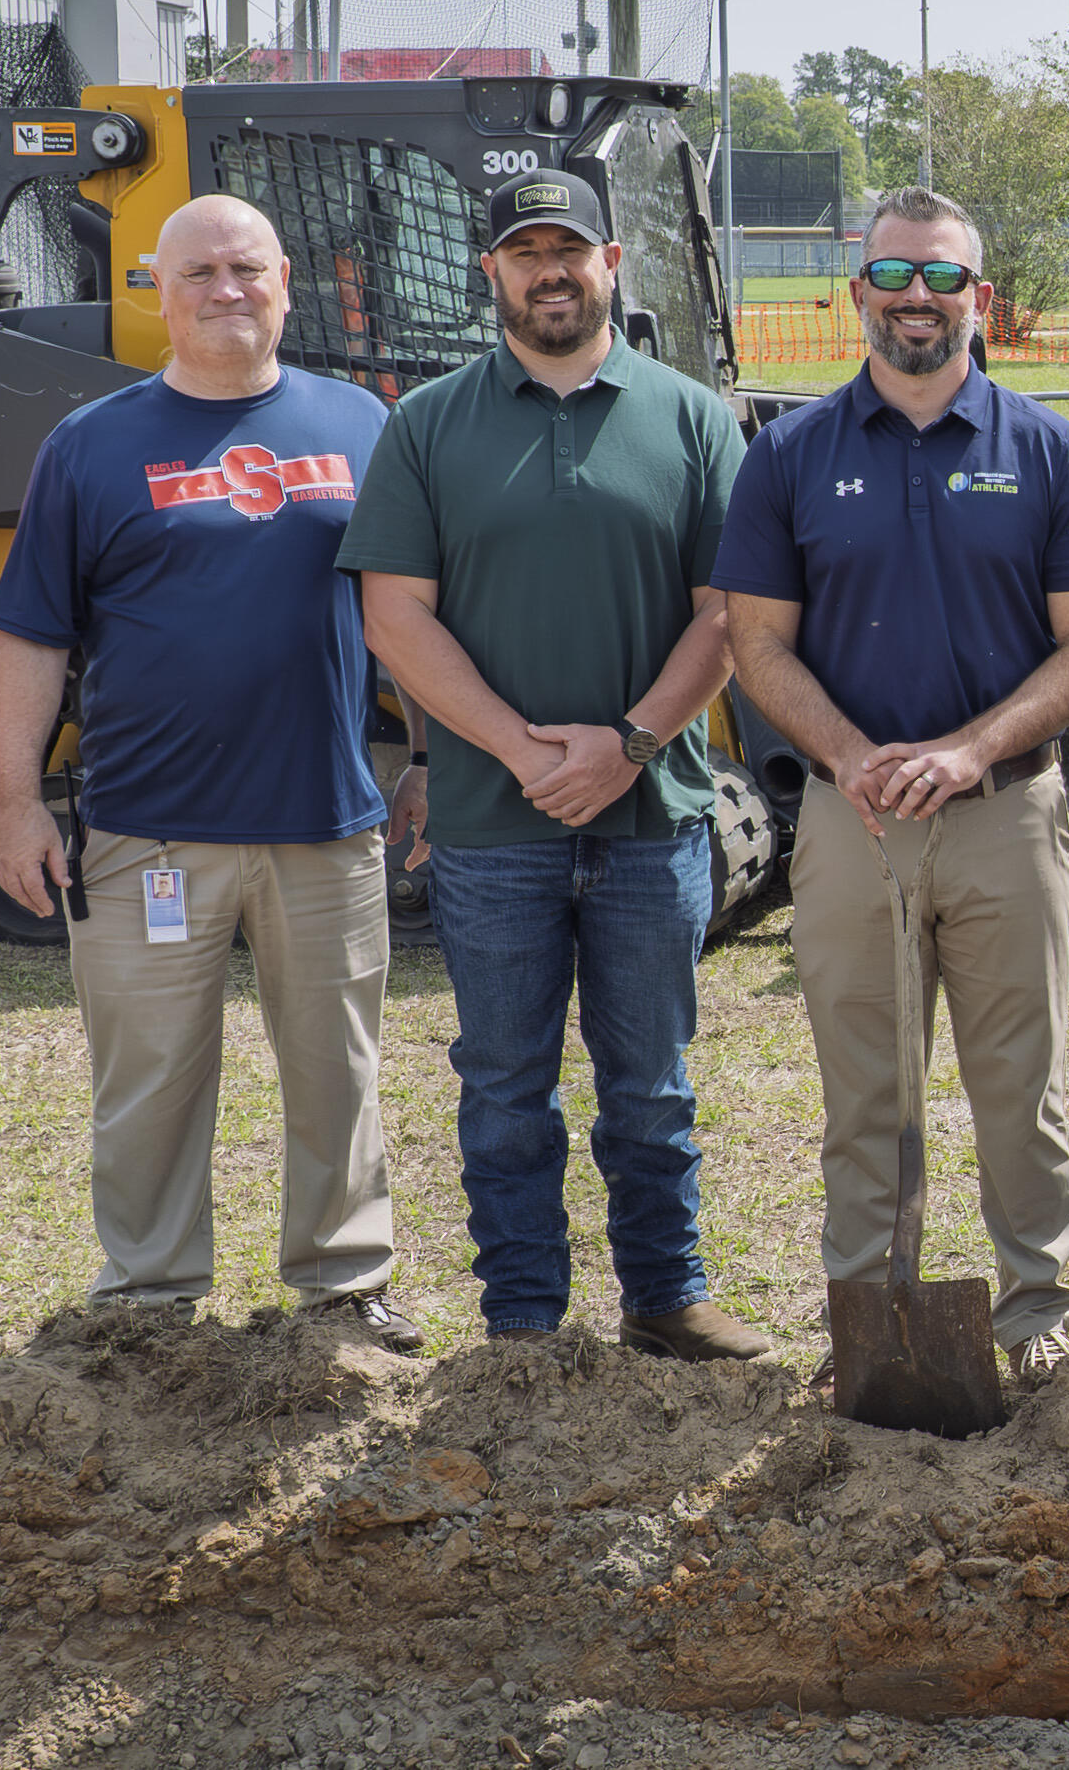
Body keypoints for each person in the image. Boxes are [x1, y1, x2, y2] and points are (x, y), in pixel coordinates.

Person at [338, 172, 769, 1361]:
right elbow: (396, 617)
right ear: (492, 273)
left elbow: (729, 613)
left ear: (612, 263)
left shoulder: (690, 418)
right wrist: (521, 748)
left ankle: (665, 1298)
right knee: (503, 1087)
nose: (549, 271)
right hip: (491, 824)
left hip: (653, 825)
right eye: (524, 251)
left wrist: (627, 746)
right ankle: (522, 1316)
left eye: (568, 250)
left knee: (653, 1090)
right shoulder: (426, 425)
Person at [0, 195, 416, 1350]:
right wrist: (17, 802)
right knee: (152, 1081)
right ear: (155, 293)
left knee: (339, 1071)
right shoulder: (93, 443)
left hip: (324, 822)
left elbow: (412, 612)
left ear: (284, 280)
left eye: (246, 268)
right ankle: (152, 1297)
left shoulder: (365, 426)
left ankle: (345, 1282)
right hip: (146, 832)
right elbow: (28, 635)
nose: (226, 289)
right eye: (199, 272)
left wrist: (425, 758)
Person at [717, 189, 1069, 1386]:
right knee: (866, 1091)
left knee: (1020, 1083)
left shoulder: (1045, 450)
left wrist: (969, 750)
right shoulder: (791, 454)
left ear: (978, 300)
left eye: (944, 280)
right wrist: (851, 758)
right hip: (852, 828)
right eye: (894, 276)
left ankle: (1034, 1307)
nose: (918, 300)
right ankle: (871, 1312)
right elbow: (757, 644)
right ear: (857, 293)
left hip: (1006, 817)